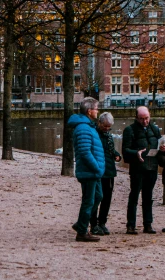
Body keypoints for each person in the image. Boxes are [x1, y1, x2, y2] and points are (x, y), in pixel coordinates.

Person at [122, 106, 165, 234]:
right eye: (142, 119)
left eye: (147, 118)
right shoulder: (130, 130)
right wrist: (136, 153)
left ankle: (148, 224)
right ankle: (131, 225)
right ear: (137, 118)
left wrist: (163, 148)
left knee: (148, 197)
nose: (145, 121)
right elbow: (125, 150)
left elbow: (159, 145)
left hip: (152, 167)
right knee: (134, 196)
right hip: (137, 168)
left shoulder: (155, 129)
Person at [68, 97, 105, 242]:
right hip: (89, 171)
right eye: (96, 109)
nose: (98, 111)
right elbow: (84, 151)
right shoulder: (83, 127)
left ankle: (81, 224)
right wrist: (96, 167)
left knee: (98, 196)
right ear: (90, 111)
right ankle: (82, 231)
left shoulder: (88, 126)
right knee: (89, 200)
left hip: (93, 171)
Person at [90, 112, 121, 236]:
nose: (107, 129)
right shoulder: (94, 134)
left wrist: (116, 155)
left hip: (109, 170)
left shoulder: (108, 136)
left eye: (109, 127)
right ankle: (93, 223)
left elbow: (110, 150)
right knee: (97, 197)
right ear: (99, 123)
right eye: (105, 126)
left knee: (107, 198)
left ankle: (102, 222)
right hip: (98, 170)